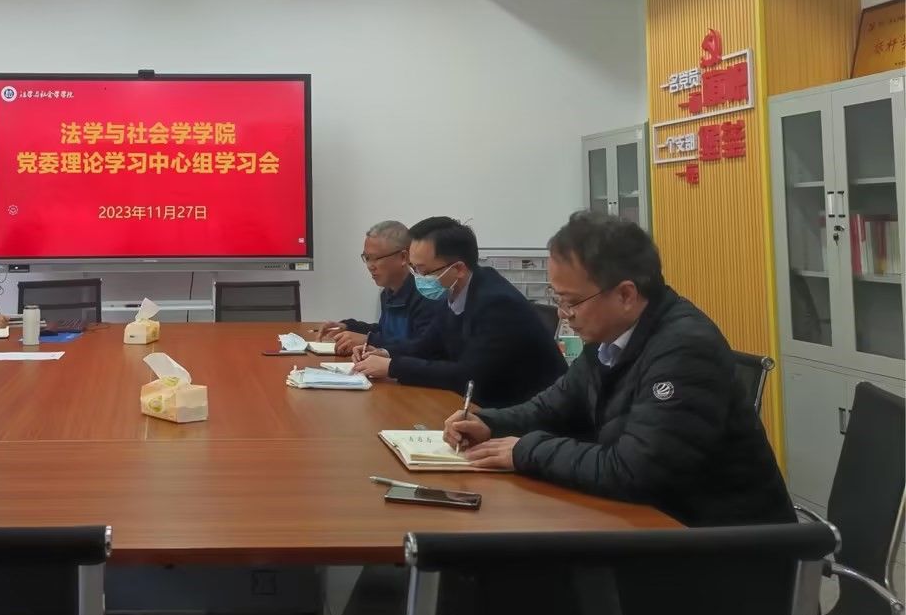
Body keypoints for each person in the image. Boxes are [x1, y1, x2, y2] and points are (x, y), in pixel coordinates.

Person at [445, 211, 794, 527]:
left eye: (572, 301)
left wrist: (526, 451)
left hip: (721, 544)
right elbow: (552, 407)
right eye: (558, 299)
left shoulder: (685, 349)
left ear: (626, 295)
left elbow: (634, 470)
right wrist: (489, 423)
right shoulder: (610, 337)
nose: (564, 314)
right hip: (650, 522)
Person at [351, 216, 565, 406]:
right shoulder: (454, 291)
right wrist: (383, 353)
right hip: (483, 405)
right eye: (414, 268)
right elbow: (427, 345)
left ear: (459, 269)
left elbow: (468, 375)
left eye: (423, 271)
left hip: (528, 415)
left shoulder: (496, 303)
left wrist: (393, 367)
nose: (417, 277)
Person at [319, 220, 446, 355]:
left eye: (376, 258)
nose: (370, 266)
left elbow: (421, 348)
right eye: (367, 258)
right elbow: (385, 332)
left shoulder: (427, 295)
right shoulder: (388, 292)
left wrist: (369, 340)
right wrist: (347, 327)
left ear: (403, 257)